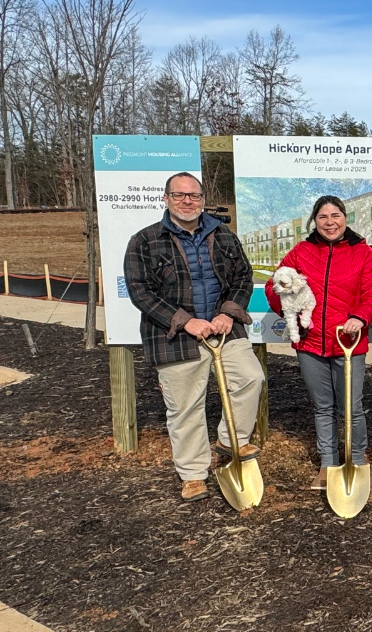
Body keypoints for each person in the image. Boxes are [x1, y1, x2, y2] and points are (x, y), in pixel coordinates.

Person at [123, 172, 265, 502]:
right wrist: (186, 322)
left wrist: (228, 313)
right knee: (185, 408)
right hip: (175, 335)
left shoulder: (224, 235)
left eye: (194, 196)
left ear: (203, 200)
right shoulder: (144, 240)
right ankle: (193, 474)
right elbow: (139, 292)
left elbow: (243, 276)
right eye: (179, 195)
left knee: (251, 378)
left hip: (223, 329)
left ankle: (231, 439)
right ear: (166, 199)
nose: (187, 201)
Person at [264, 195, 372, 490]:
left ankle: (357, 458)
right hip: (310, 341)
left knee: (351, 407)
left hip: (348, 341)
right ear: (314, 221)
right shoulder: (301, 251)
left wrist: (360, 318)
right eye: (323, 217)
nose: (330, 222)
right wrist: (287, 309)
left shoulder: (362, 252)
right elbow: (273, 284)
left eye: (336, 215)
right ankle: (327, 464)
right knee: (323, 407)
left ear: (345, 218)